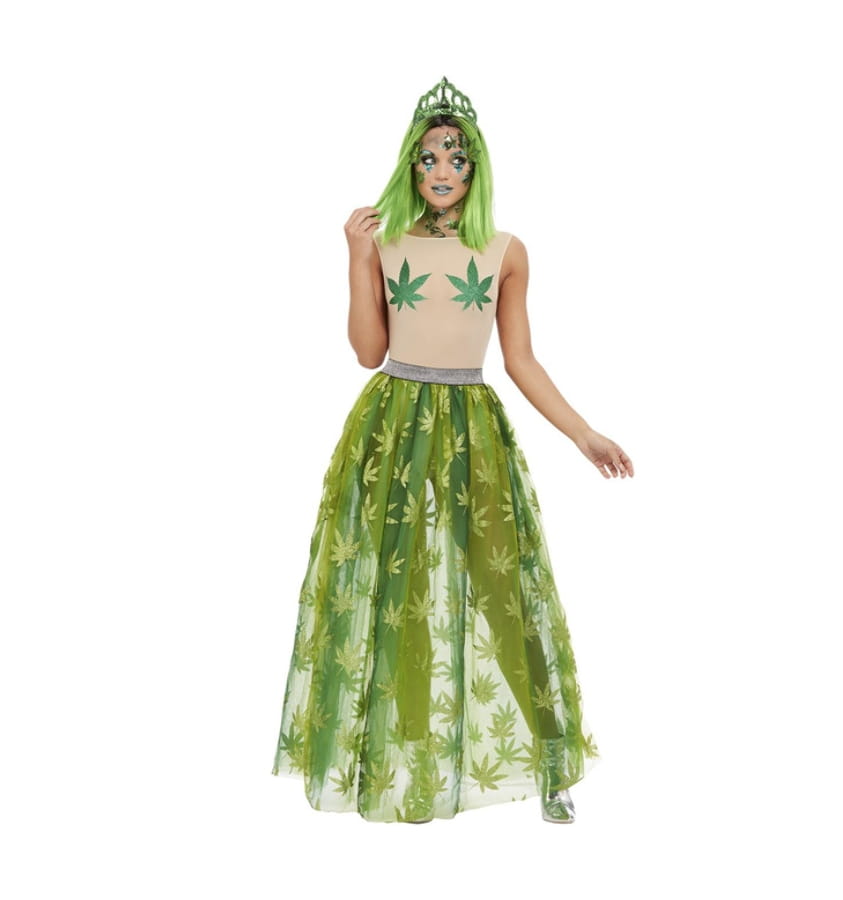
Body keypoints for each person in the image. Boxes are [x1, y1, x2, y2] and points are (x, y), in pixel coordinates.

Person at [271, 76, 634, 824]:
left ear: (477, 169)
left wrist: (583, 432)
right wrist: (355, 257)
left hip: (471, 425)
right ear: (410, 164)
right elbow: (368, 352)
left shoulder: (504, 251)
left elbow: (520, 359)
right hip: (393, 424)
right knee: (392, 589)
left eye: (458, 159)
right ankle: (404, 759)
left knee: (504, 591)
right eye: (430, 156)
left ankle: (551, 759)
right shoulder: (384, 242)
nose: (443, 170)